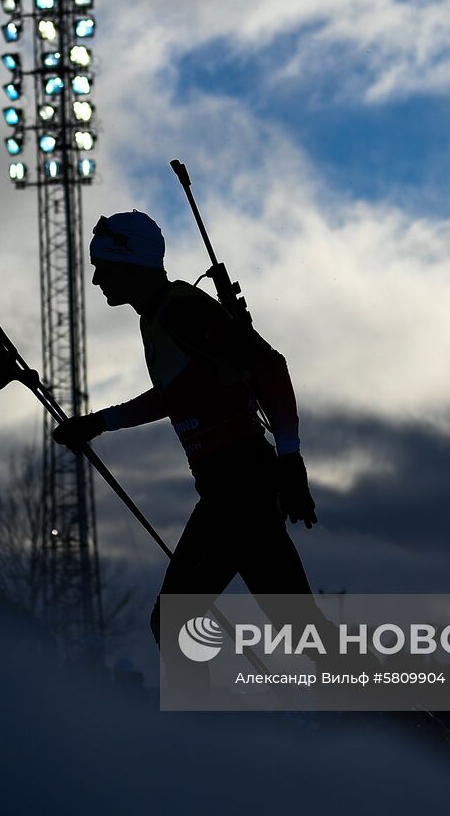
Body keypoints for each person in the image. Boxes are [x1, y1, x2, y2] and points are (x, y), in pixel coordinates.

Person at [51, 210, 325, 680]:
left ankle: (212, 738)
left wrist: (290, 459)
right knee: (301, 631)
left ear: (127, 258)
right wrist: (99, 423)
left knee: (174, 620)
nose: (95, 279)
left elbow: (267, 365)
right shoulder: (158, 317)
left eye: (102, 265)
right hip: (235, 485)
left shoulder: (181, 309)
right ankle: (408, 726)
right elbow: (179, 394)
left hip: (239, 485)